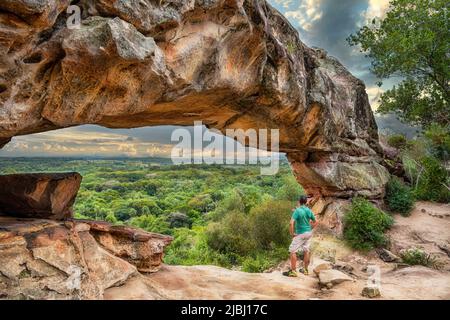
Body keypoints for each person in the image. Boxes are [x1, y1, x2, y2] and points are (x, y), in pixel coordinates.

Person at [283, 195, 317, 277]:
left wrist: (292, 234)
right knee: (306, 250)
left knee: (292, 250)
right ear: (306, 202)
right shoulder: (309, 210)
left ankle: (293, 271)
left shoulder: (297, 211)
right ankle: (305, 270)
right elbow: (316, 222)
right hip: (308, 233)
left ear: (299, 201)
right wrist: (309, 228)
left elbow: (291, 223)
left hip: (300, 233)